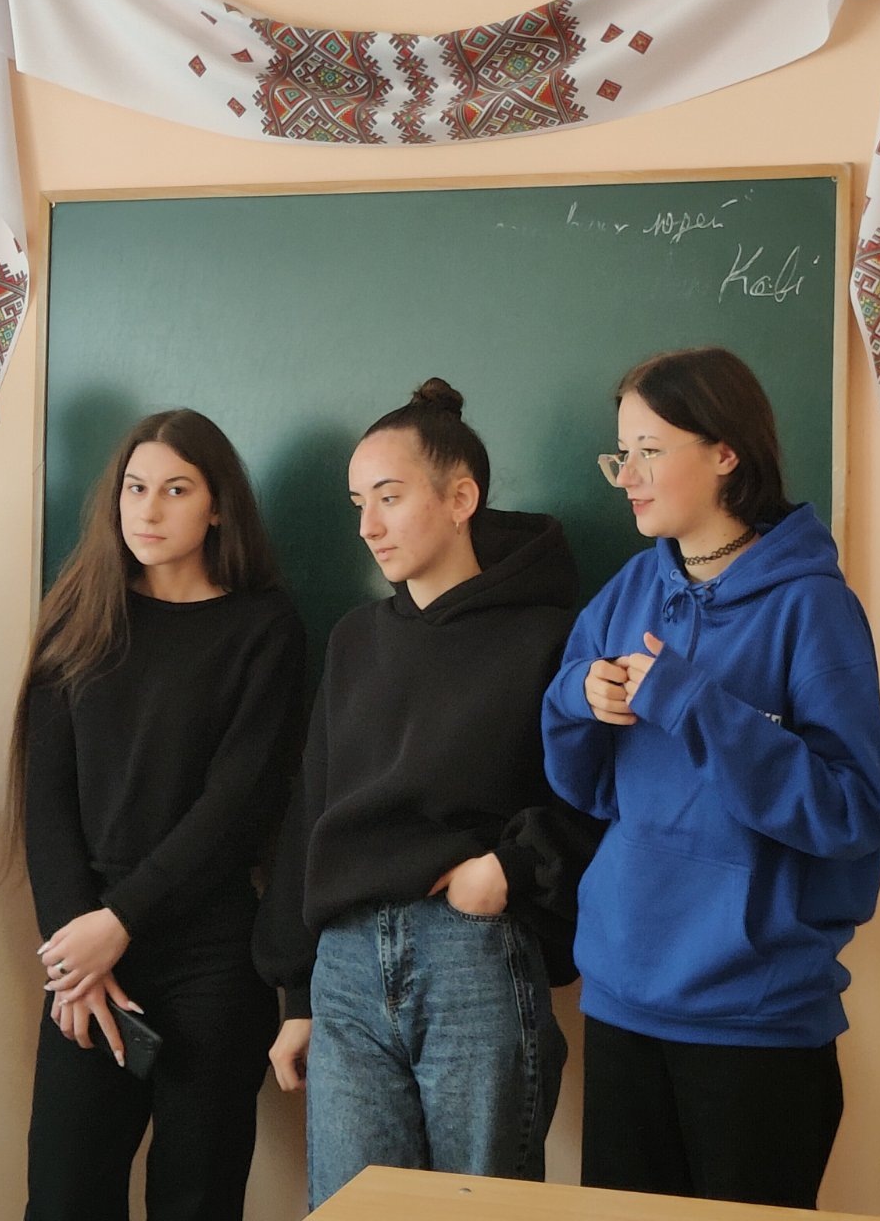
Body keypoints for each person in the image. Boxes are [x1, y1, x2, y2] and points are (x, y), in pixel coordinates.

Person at [541, 345, 880, 1209]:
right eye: (621, 453)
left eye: (650, 450)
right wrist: (579, 700)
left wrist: (697, 704)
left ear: (726, 452)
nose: (627, 476)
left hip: (755, 1020)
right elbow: (587, 787)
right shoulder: (629, 590)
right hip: (621, 1000)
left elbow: (852, 814)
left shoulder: (813, 607)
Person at [255, 379, 600, 1211]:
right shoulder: (355, 639)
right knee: (351, 1205)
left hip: (470, 952)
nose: (367, 526)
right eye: (357, 504)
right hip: (343, 965)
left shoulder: (550, 635)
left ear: (460, 499)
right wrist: (297, 995)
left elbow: (595, 799)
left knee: (478, 1206)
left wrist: (510, 868)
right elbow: (312, 807)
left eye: (389, 497)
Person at [11, 408, 306, 1221]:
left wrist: (121, 921)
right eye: (135, 488)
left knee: (196, 1197)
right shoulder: (79, 617)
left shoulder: (263, 626)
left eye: (176, 490)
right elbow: (46, 805)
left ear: (217, 508)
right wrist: (78, 955)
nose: (148, 509)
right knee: (63, 1197)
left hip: (211, 954)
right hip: (87, 955)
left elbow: (237, 804)